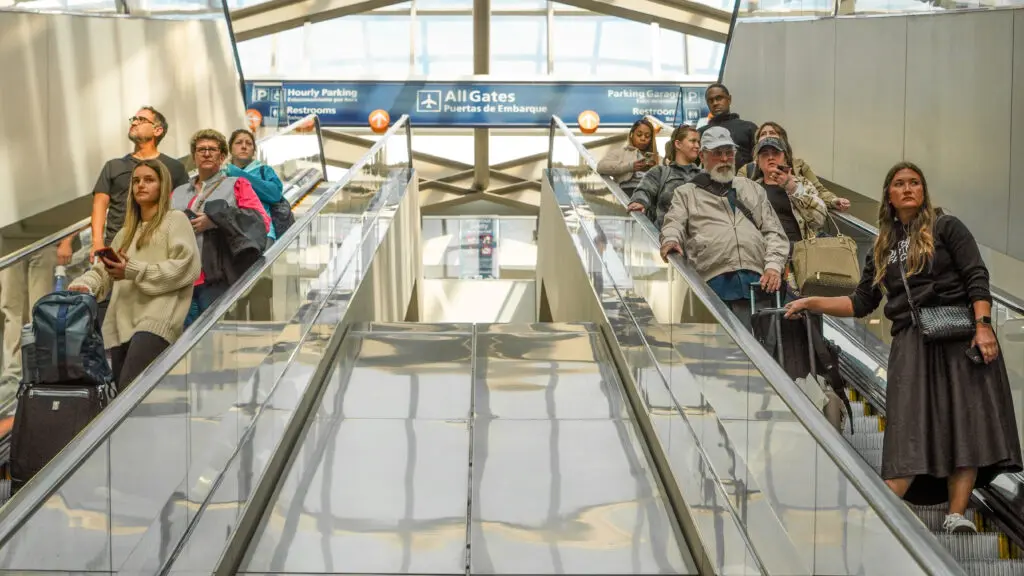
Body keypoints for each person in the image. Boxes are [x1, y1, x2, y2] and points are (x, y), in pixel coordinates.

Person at [784, 162, 1022, 532]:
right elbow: (861, 303)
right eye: (899, 184)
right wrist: (812, 302)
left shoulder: (947, 227)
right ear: (889, 195)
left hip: (958, 337)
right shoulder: (882, 245)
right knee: (908, 422)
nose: (908, 188)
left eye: (915, 183)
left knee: (965, 423)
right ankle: (884, 508)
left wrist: (984, 326)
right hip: (912, 341)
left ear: (923, 191)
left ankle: (956, 515)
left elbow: (977, 276)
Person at [67, 160, 200, 390]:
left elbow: (185, 267)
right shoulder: (125, 233)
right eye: (136, 181)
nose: (141, 185)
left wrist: (132, 270)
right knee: (125, 399)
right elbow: (103, 271)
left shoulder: (175, 221)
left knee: (129, 394)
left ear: (162, 186)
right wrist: (84, 284)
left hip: (156, 322)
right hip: (120, 324)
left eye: (149, 180)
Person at [659, 127, 789, 328]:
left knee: (763, 350)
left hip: (758, 282)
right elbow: (673, 222)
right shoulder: (686, 193)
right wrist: (670, 240)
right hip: (712, 283)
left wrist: (773, 266)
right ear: (702, 156)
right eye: (717, 153)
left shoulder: (751, 188)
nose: (724, 159)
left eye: (729, 153)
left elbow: (774, 232)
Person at [173, 129, 270, 327]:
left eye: (212, 149)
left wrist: (216, 221)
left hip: (218, 278)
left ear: (222, 156)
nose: (206, 153)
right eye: (201, 150)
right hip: (180, 280)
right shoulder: (178, 193)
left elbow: (261, 221)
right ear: (194, 156)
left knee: (215, 339)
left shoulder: (237, 184)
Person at [738, 121, 851, 212]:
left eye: (772, 133)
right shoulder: (747, 170)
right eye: (763, 134)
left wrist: (833, 200)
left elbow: (819, 192)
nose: (767, 136)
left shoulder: (799, 167)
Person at [751, 137, 827, 245]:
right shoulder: (751, 189)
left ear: (785, 159)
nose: (770, 157)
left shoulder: (802, 183)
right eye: (765, 154)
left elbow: (819, 219)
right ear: (758, 162)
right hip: (765, 252)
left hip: (800, 252)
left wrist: (793, 188)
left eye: (775, 153)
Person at [626, 124, 701, 228]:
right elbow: (644, 190)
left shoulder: (704, 176)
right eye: (693, 141)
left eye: (698, 142)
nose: (697, 146)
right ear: (678, 144)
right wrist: (639, 202)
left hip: (698, 239)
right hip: (664, 238)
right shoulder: (660, 172)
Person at [226, 129, 284, 242]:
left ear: (253, 151)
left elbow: (275, 195)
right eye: (239, 142)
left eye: (248, 143)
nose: (244, 146)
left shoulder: (264, 170)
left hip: (263, 232)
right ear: (230, 149)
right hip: (231, 234)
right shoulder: (222, 173)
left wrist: (236, 173)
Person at [697, 83, 758, 168]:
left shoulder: (749, 128)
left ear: (729, 99)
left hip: (744, 179)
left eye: (719, 98)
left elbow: (760, 160)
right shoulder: (701, 132)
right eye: (710, 100)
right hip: (710, 180)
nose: (715, 103)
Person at [597, 118, 661, 194]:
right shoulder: (621, 152)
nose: (643, 138)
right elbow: (601, 167)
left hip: (651, 193)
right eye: (639, 135)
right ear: (631, 135)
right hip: (628, 192)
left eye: (647, 136)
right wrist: (630, 166)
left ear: (651, 139)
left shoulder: (657, 158)